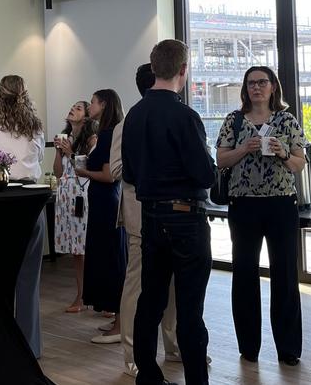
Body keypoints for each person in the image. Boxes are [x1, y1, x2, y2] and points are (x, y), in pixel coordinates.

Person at [123, 39, 215, 385]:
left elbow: (130, 174)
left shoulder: (134, 115)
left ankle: (148, 376)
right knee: (190, 308)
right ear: (183, 70)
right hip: (186, 218)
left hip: (151, 217)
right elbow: (204, 175)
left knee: (151, 301)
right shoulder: (185, 116)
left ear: (153, 67)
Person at [214, 65, 306, 366]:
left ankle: (288, 348)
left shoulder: (287, 120)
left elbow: (299, 163)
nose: (256, 87)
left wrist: (282, 152)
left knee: (285, 275)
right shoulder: (234, 120)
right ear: (245, 88)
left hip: (281, 204)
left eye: (262, 82)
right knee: (244, 274)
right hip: (243, 205)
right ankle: (248, 346)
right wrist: (244, 148)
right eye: (251, 83)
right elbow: (221, 159)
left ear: (272, 87)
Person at [112, 64, 180, 377]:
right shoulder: (127, 123)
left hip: (175, 214)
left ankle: (175, 346)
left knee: (174, 285)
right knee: (137, 286)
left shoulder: (176, 116)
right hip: (141, 216)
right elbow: (117, 169)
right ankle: (133, 355)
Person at [0, 74, 46, 357]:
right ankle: (29, 346)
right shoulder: (35, 126)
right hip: (31, 200)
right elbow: (38, 159)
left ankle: (1, 343)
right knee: (29, 278)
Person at [76, 89, 127, 344]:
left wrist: (84, 172)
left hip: (107, 203)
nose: (90, 106)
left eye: (93, 102)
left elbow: (109, 175)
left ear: (104, 104)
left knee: (112, 259)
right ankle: (118, 318)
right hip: (105, 202)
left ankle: (120, 324)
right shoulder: (110, 132)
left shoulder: (108, 135)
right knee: (109, 257)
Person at [52, 100, 95, 312]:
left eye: (78, 108)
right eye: (72, 106)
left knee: (90, 247)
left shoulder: (91, 139)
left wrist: (70, 152)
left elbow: (86, 169)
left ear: (86, 117)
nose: (72, 109)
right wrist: (58, 152)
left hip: (83, 193)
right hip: (65, 192)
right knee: (77, 250)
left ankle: (103, 297)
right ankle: (81, 295)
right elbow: (58, 172)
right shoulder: (65, 137)